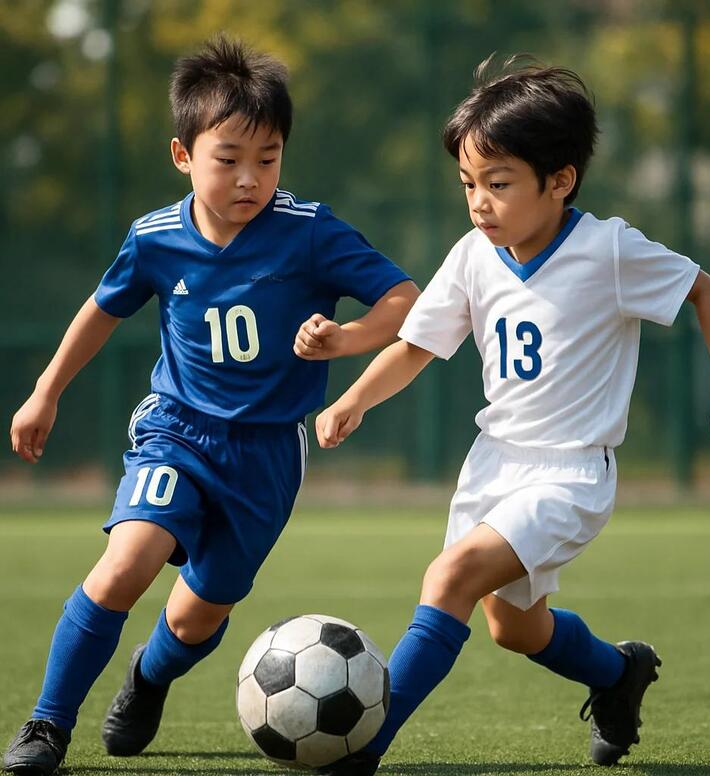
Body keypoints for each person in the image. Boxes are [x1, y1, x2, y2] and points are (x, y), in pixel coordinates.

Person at [313, 57, 710, 775]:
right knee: (514, 628)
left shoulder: (608, 250)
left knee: (451, 575)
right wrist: (351, 398)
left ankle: (366, 742)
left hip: (572, 473)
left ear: (561, 181)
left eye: (498, 184)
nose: (479, 203)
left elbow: (704, 292)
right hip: (494, 466)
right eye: (468, 184)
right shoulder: (472, 257)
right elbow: (416, 346)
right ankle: (617, 674)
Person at [3, 36, 418, 776]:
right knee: (126, 563)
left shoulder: (311, 230)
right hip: (177, 430)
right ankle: (46, 725)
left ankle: (149, 676)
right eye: (228, 159)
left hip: (264, 454)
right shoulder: (155, 238)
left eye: (269, 157)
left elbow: (403, 299)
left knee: (199, 614)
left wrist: (346, 338)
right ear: (182, 155)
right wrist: (46, 391)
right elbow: (102, 310)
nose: (250, 178)